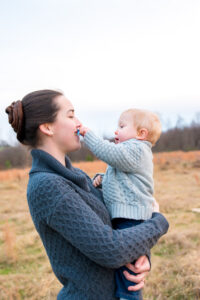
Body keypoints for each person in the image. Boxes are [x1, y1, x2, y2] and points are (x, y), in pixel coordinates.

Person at [5, 90, 169, 300]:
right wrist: (159, 223)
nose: (78, 123)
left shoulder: (76, 176)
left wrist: (140, 257)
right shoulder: (47, 186)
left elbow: (119, 225)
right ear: (47, 127)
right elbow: (110, 249)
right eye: (71, 115)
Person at [79, 108, 162, 300]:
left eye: (122, 126)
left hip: (132, 219)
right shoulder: (129, 154)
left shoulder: (138, 149)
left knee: (129, 271)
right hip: (127, 218)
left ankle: (128, 297)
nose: (116, 131)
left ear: (141, 134)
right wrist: (103, 178)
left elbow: (109, 153)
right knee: (125, 265)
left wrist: (87, 134)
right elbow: (122, 181)